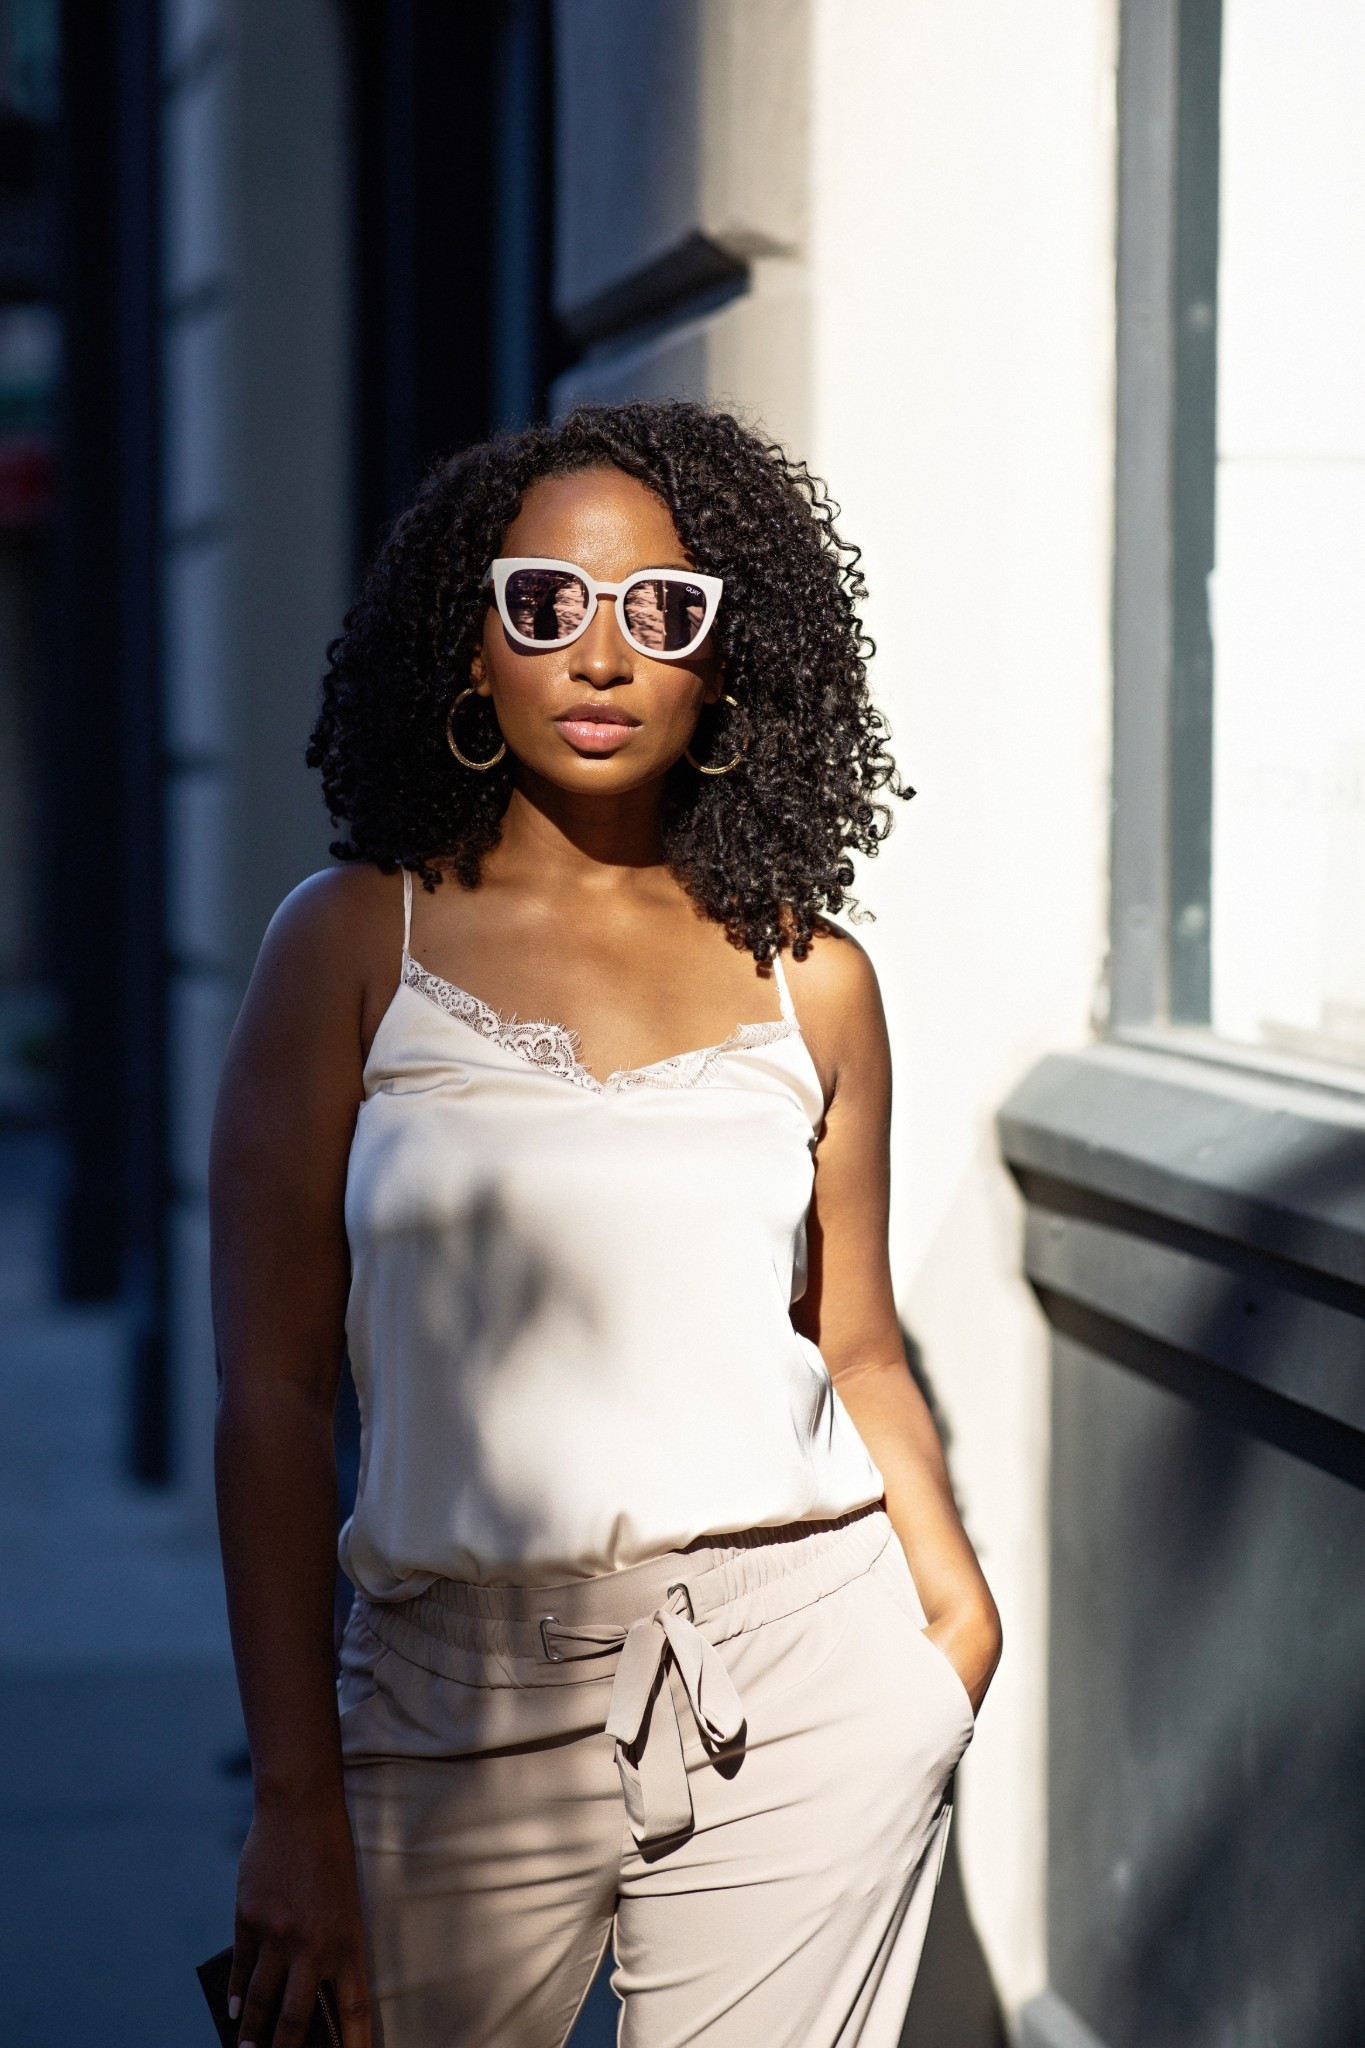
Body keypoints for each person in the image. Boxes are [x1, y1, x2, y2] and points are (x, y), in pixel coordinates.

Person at [210, 400, 1002, 2048]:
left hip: (794, 1686)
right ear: (472, 647)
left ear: (724, 665)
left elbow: (847, 1341)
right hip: (444, 1702)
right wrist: (292, 1797)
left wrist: (949, 1624)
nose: (601, 654)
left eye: (663, 613)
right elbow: (271, 1396)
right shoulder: (355, 942)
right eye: (545, 605)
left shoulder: (813, 975)